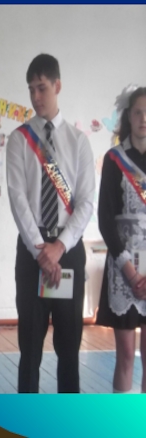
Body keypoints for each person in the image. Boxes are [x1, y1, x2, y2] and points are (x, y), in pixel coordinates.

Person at [7, 54, 95, 393]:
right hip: (32, 254)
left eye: (42, 88)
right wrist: (42, 252)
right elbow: (18, 200)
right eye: (30, 89)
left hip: (67, 252)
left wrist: (59, 248)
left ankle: (66, 418)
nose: (35, 96)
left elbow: (86, 202)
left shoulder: (78, 142)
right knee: (29, 350)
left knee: (69, 350)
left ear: (58, 86)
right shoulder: (19, 139)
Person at [96, 84, 146, 394]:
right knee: (125, 355)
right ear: (129, 116)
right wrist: (130, 271)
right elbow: (105, 220)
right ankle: (124, 420)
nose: (144, 119)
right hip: (123, 268)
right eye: (139, 112)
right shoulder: (115, 159)